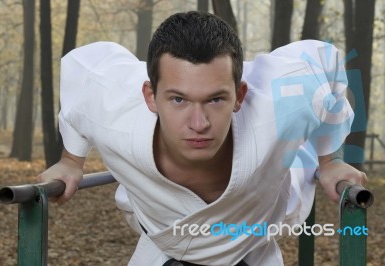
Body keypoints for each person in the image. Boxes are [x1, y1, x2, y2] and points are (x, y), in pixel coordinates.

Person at [39, 11, 367, 266]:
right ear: (150, 96)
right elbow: (84, 66)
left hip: (262, 212)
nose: (199, 124)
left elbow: (325, 65)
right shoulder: (114, 106)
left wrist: (330, 160)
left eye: (215, 99)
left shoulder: (281, 104)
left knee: (293, 165)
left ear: (239, 95)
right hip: (158, 224)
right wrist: (71, 160)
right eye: (179, 99)